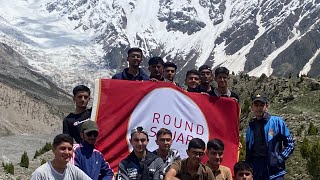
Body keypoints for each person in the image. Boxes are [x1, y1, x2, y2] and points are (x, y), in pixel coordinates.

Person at [245, 93, 294, 180]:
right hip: (256, 170)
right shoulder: (250, 127)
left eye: (262, 105)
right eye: (256, 105)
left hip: (275, 171)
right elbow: (248, 151)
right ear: (252, 107)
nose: (259, 108)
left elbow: (290, 143)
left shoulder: (277, 122)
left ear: (267, 106)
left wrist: (280, 158)